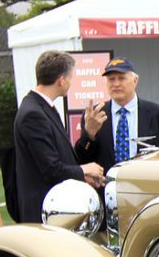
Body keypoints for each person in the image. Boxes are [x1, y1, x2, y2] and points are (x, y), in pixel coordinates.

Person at [13, 49, 104, 223]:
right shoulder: (33, 113)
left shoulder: (43, 108)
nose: (71, 83)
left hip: (56, 207)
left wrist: (88, 136)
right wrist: (84, 170)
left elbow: (61, 158)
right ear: (61, 80)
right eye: (70, 78)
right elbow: (50, 168)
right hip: (45, 213)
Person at [75, 58, 159, 169]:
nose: (116, 84)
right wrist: (89, 135)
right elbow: (81, 159)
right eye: (111, 79)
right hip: (107, 183)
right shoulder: (95, 115)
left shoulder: (158, 114)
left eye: (121, 78)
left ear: (135, 80)